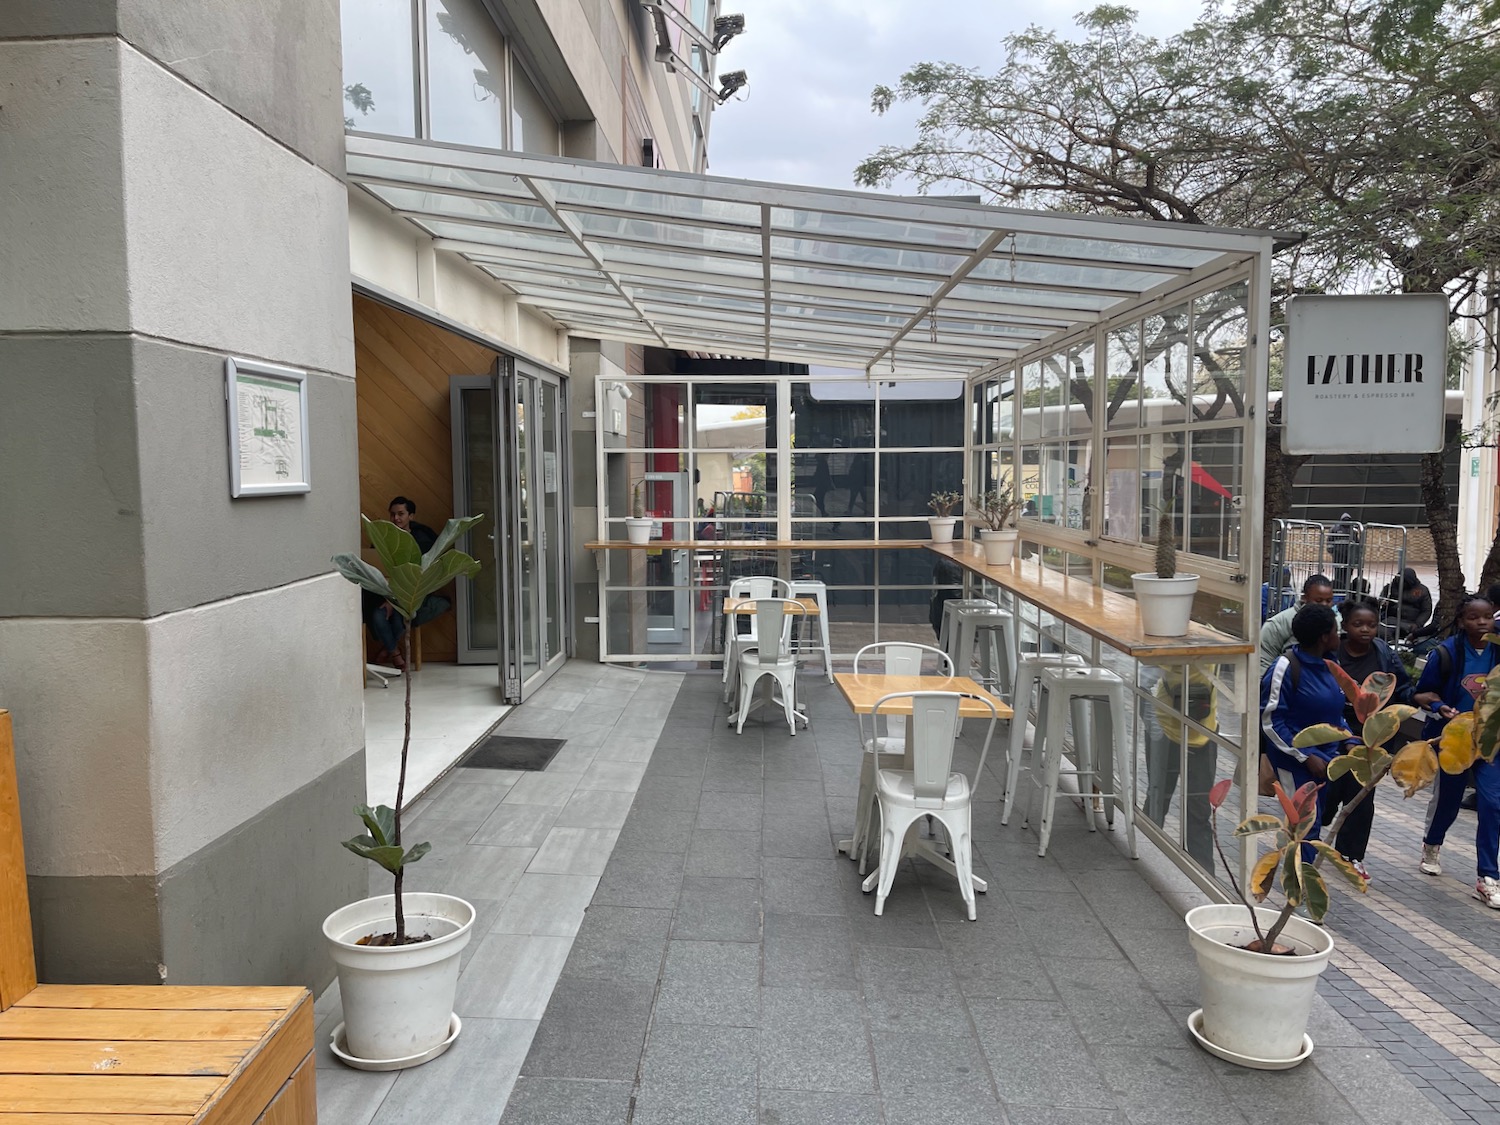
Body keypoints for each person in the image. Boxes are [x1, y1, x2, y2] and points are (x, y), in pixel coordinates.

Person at [1261, 603, 1365, 868]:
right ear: (1323, 637)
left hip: (1326, 762)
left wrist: (1350, 739)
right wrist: (1305, 756)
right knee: (1306, 826)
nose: (1339, 636)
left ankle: (1298, 878)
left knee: (1313, 824)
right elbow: (1271, 721)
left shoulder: (1330, 666)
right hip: (1294, 764)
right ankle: (1301, 887)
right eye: (1335, 630)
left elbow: (1333, 714)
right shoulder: (1284, 667)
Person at [1413, 594, 1500, 908]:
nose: (1481, 623)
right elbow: (1421, 693)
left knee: (1493, 804)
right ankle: (1432, 844)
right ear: (1462, 622)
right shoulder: (1446, 654)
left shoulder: (1498, 649)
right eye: (1474, 618)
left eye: (1487, 617)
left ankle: (1487, 878)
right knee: (1448, 802)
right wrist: (1439, 706)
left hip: (1489, 743)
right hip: (1453, 740)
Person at [1329, 598, 1416, 882]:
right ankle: (1315, 835)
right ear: (1346, 626)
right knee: (1330, 792)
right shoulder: (1333, 652)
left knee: (1362, 797)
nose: (1365, 630)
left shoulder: (1382, 652)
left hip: (1372, 738)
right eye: (1358, 624)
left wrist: (1414, 699)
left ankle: (1351, 855)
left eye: (1371, 625)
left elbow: (1400, 686)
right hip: (1336, 732)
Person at [363, 496, 452, 668]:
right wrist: (388, 599)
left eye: (401, 514)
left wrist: (394, 600)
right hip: (384, 592)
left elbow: (420, 574)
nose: (396, 518)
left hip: (412, 594)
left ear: (411, 516)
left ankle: (386, 650)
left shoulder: (421, 540)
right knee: (377, 616)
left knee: (400, 618)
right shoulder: (384, 538)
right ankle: (395, 653)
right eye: (393, 514)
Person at [1144, 666, 1219, 870]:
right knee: (1158, 801)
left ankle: (1203, 880)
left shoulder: (1211, 637)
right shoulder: (1171, 636)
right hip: (1166, 725)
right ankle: (1143, 862)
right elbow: (1146, 672)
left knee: (1196, 809)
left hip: (1204, 728)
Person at [1260, 574, 1335, 675]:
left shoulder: (1336, 622)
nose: (1325, 605)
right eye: (1318, 601)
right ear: (1304, 598)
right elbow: (1263, 664)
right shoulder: (1277, 625)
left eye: (1329, 601)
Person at [1378, 568, 1432, 641]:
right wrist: (1384, 603)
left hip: (1412, 622)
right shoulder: (1390, 588)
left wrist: (1418, 624)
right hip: (1391, 620)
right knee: (1381, 631)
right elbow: (1380, 601)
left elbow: (1426, 610)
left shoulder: (1422, 590)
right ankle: (1391, 644)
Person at [1328, 512, 1361, 597]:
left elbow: (1357, 543)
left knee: (1347, 574)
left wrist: (1356, 556)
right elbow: (1330, 541)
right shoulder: (1335, 528)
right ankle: (1339, 591)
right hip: (1338, 556)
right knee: (1339, 574)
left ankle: (1345, 591)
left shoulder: (1353, 530)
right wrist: (1332, 551)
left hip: (1349, 556)